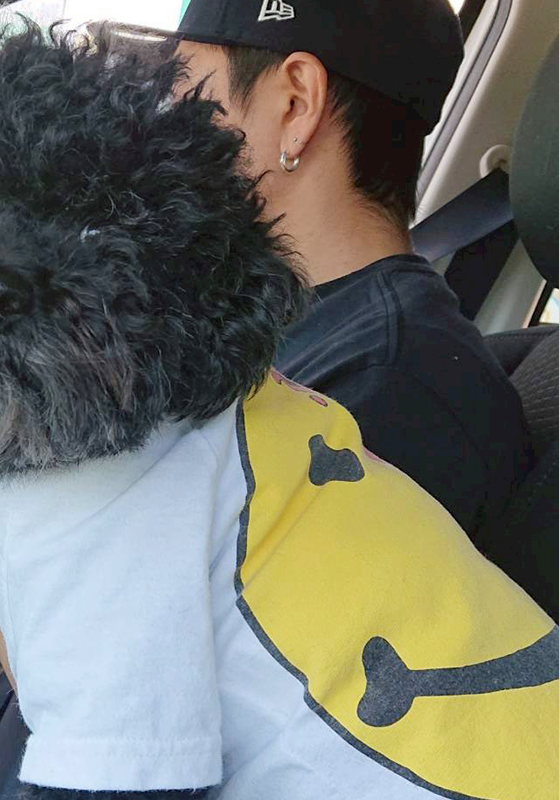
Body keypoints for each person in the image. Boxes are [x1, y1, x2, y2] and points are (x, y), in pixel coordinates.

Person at [167, 0, 532, 536]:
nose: (165, 127)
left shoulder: (391, 394)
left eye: (184, 91)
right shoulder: (300, 325)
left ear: (296, 106)